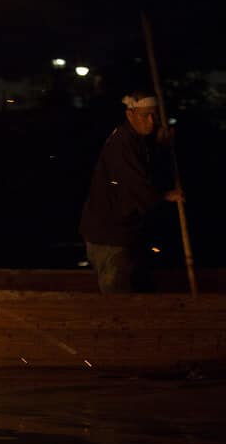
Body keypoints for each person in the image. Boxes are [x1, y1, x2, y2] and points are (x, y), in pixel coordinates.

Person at [78, 90, 185, 293]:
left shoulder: (136, 141)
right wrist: (166, 195)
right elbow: (135, 185)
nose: (151, 121)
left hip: (123, 231)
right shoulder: (123, 143)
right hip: (109, 234)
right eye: (145, 115)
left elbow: (145, 169)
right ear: (130, 115)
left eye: (154, 115)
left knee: (135, 287)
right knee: (118, 294)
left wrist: (160, 146)